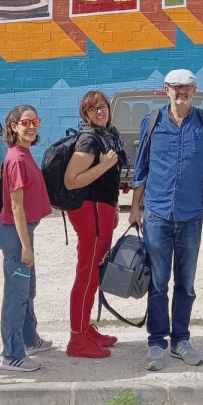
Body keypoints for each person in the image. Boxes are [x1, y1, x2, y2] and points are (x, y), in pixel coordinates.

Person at [129, 69, 203, 371]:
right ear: (166, 90)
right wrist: (135, 208)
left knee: (186, 284)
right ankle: (156, 342)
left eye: (187, 87)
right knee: (158, 283)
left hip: (190, 216)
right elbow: (141, 167)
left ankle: (181, 340)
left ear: (194, 90)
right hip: (157, 214)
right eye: (176, 87)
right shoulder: (152, 122)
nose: (181, 92)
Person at [62, 90, 126, 358]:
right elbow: (71, 181)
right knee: (87, 273)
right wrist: (104, 165)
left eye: (102, 107)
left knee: (94, 273)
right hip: (91, 212)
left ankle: (86, 329)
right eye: (92, 109)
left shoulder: (107, 135)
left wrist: (113, 207)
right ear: (84, 115)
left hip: (102, 210)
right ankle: (77, 339)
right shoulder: (89, 140)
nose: (99, 112)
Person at [0, 104, 54, 372]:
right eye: (25, 123)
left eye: (35, 122)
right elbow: (16, 206)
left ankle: (30, 340)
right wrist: (25, 247)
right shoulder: (17, 159)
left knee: (27, 289)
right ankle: (11, 355)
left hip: (23, 230)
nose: (31, 127)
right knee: (17, 295)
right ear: (14, 126)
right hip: (16, 233)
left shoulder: (24, 152)